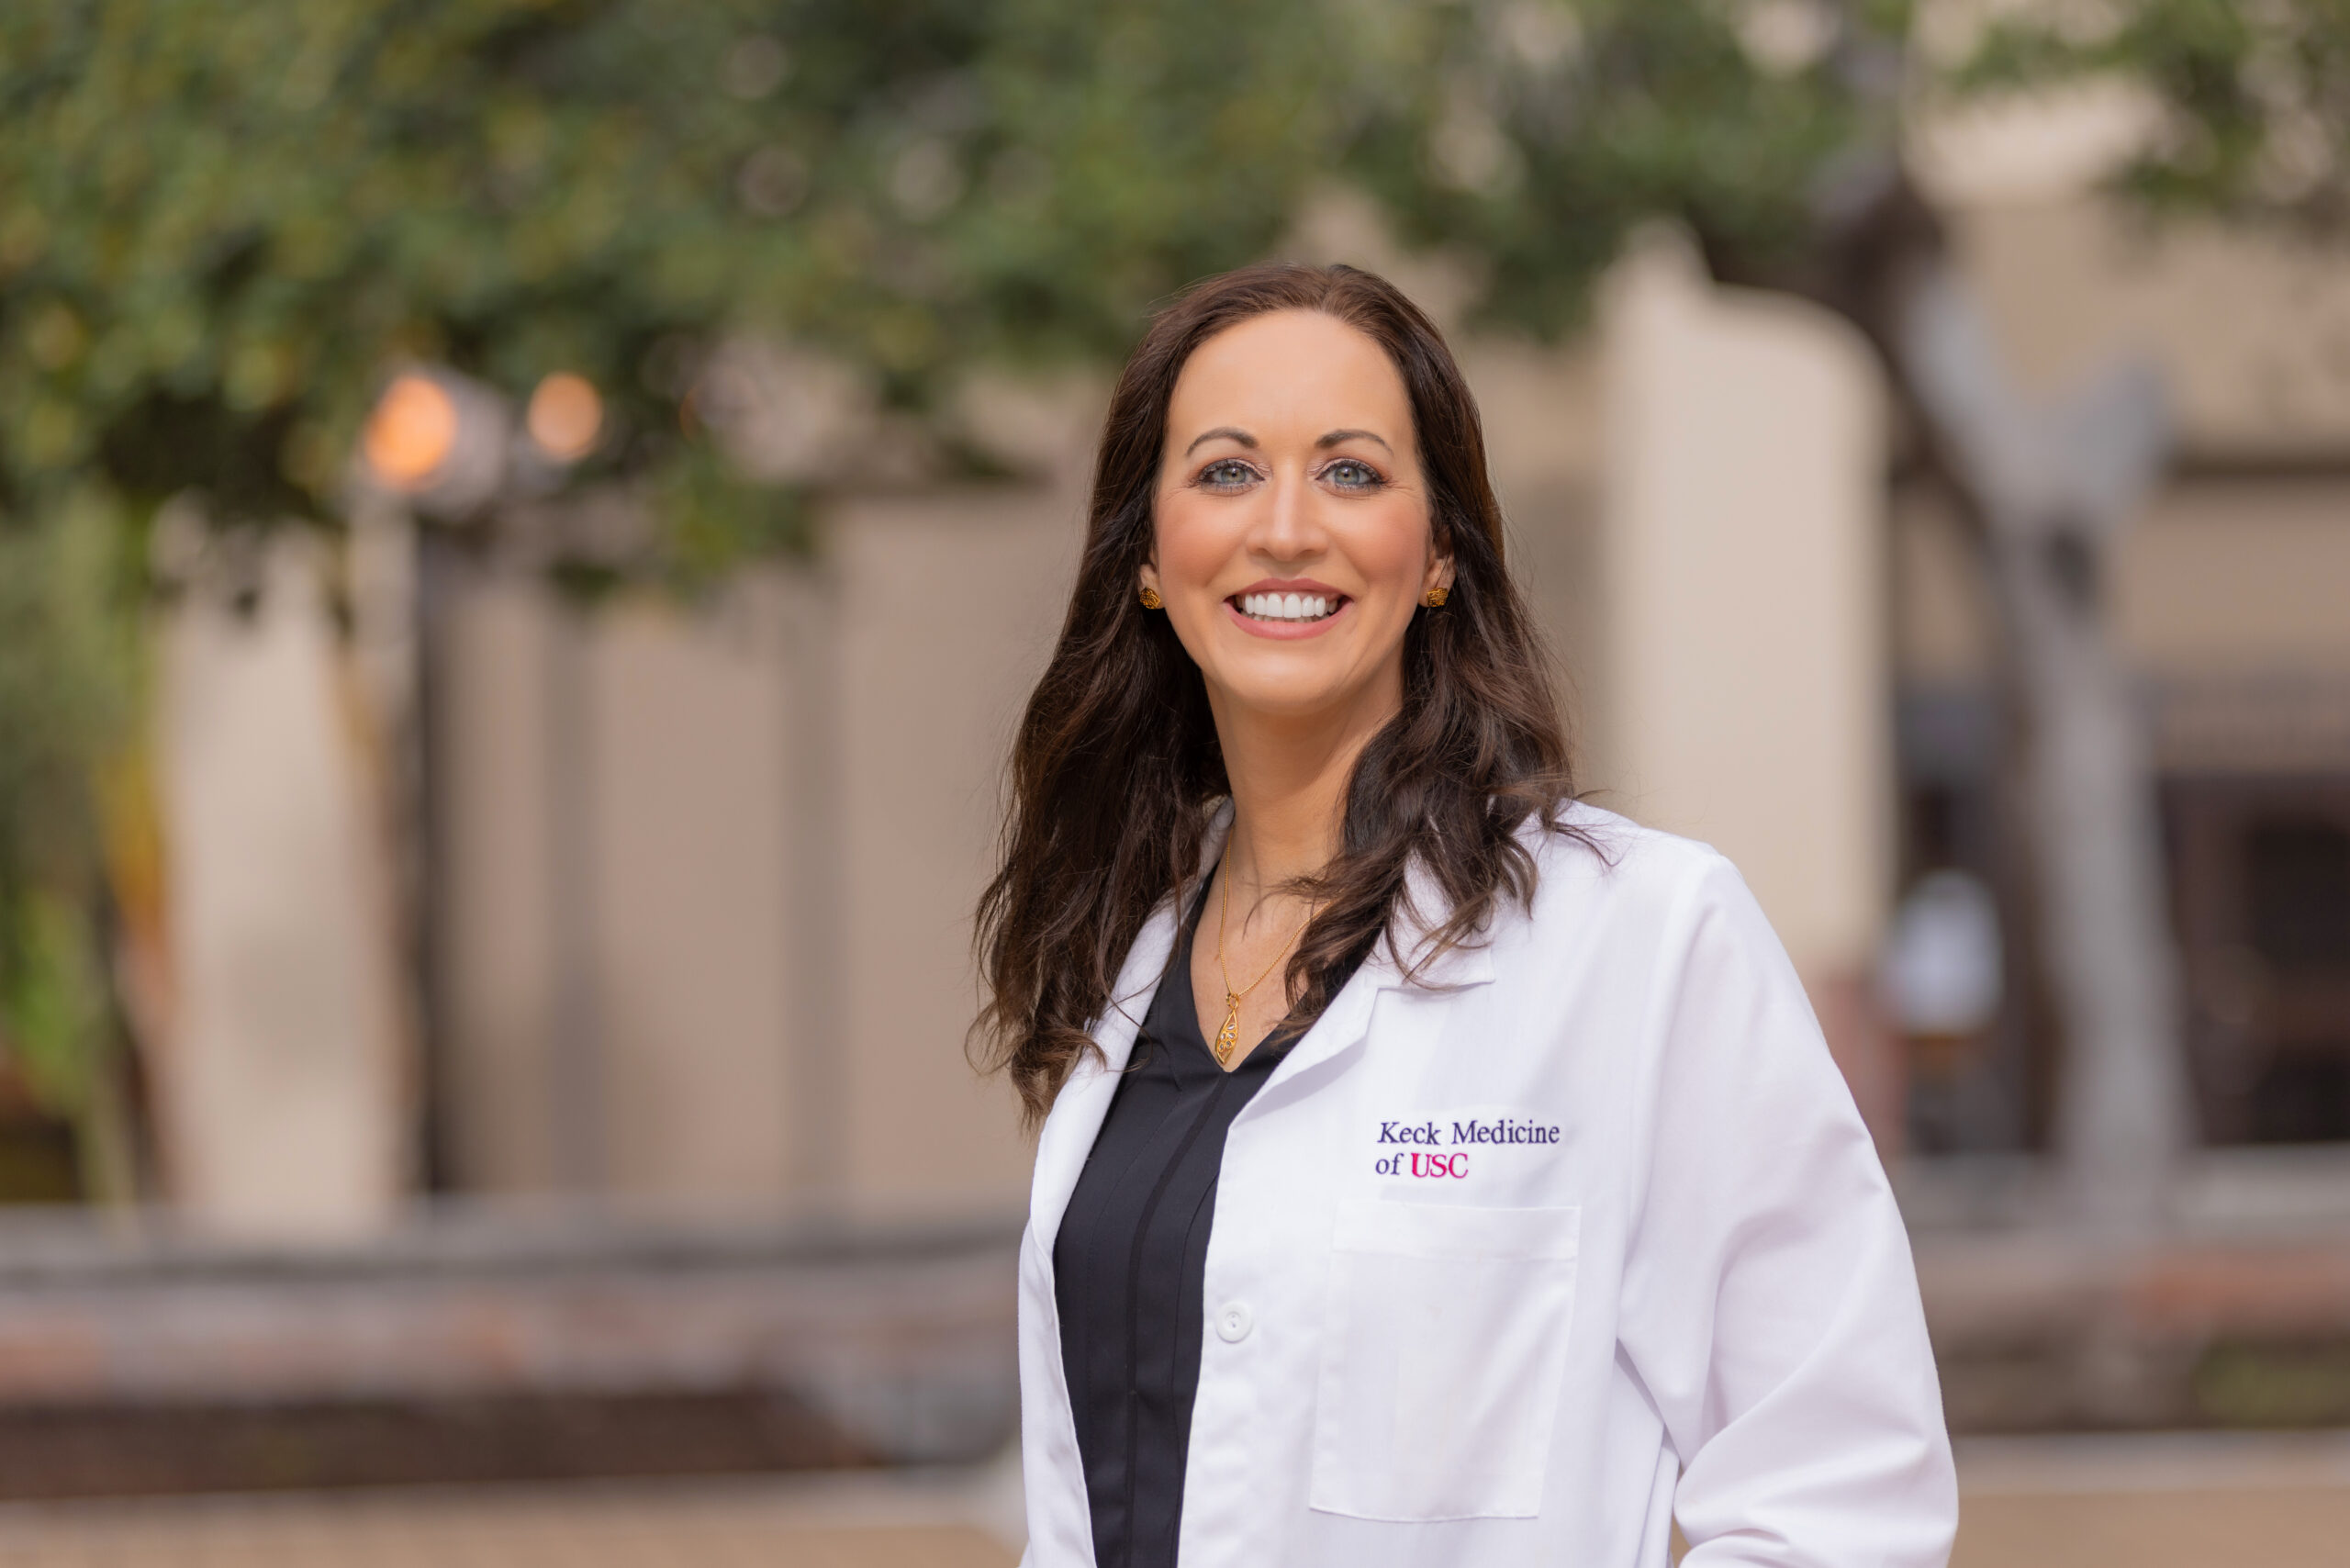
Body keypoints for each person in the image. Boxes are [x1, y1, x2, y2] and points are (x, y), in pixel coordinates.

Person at [974, 263, 1955, 1568]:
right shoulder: (1128, 962)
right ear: (1149, 557)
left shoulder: (1642, 940)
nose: (1282, 527)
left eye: (1350, 471)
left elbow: (1840, 1495)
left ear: (1438, 550)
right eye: (1223, 471)